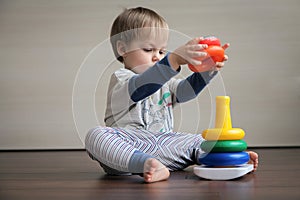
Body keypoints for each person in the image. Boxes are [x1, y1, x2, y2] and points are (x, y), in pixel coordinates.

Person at [85, 7, 258, 183]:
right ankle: (145, 164)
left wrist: (207, 71)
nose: (157, 57)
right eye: (148, 49)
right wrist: (173, 60)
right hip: (126, 151)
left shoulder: (165, 83)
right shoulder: (122, 80)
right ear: (123, 49)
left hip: (164, 147)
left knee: (201, 139)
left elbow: (185, 91)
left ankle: (228, 158)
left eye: (161, 51)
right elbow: (142, 87)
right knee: (96, 135)